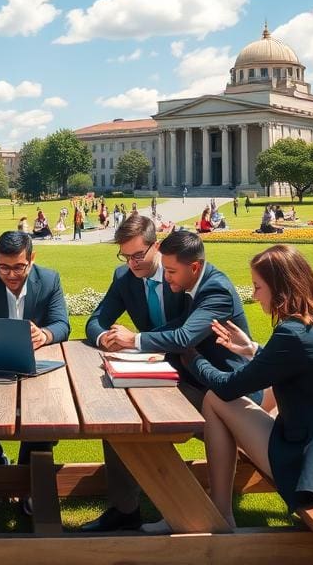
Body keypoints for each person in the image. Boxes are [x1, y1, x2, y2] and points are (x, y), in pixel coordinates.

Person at [181, 245, 313, 528]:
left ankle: (221, 514)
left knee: (214, 399)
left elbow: (229, 387)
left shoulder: (293, 333)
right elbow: (297, 367)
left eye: (258, 287)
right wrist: (251, 349)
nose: (254, 295)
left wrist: (193, 358)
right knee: (260, 397)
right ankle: (221, 506)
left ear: (280, 288)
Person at [99, 230, 265, 533]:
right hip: (205, 385)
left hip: (230, 396)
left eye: (171, 272)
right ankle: (143, 507)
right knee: (123, 407)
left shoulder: (215, 290)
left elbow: (184, 337)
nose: (167, 278)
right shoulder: (194, 286)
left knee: (133, 412)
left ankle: (182, 510)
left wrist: (134, 338)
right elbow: (177, 328)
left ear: (195, 268)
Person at [82, 216, 196, 531]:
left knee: (134, 419)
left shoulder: (181, 274)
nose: (132, 263)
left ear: (155, 246)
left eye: (138, 255)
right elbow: (96, 319)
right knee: (113, 413)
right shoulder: (125, 277)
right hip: (150, 369)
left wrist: (137, 340)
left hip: (192, 373)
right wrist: (105, 337)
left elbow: (185, 329)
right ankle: (125, 509)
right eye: (125, 256)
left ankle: (178, 507)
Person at [0, 231, 70, 513]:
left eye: (18, 267)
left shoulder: (49, 280)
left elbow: (63, 324)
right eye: (4, 267)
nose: (11, 275)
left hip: (38, 364)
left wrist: (44, 334)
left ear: (32, 259)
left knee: (45, 413)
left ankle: (27, 479)